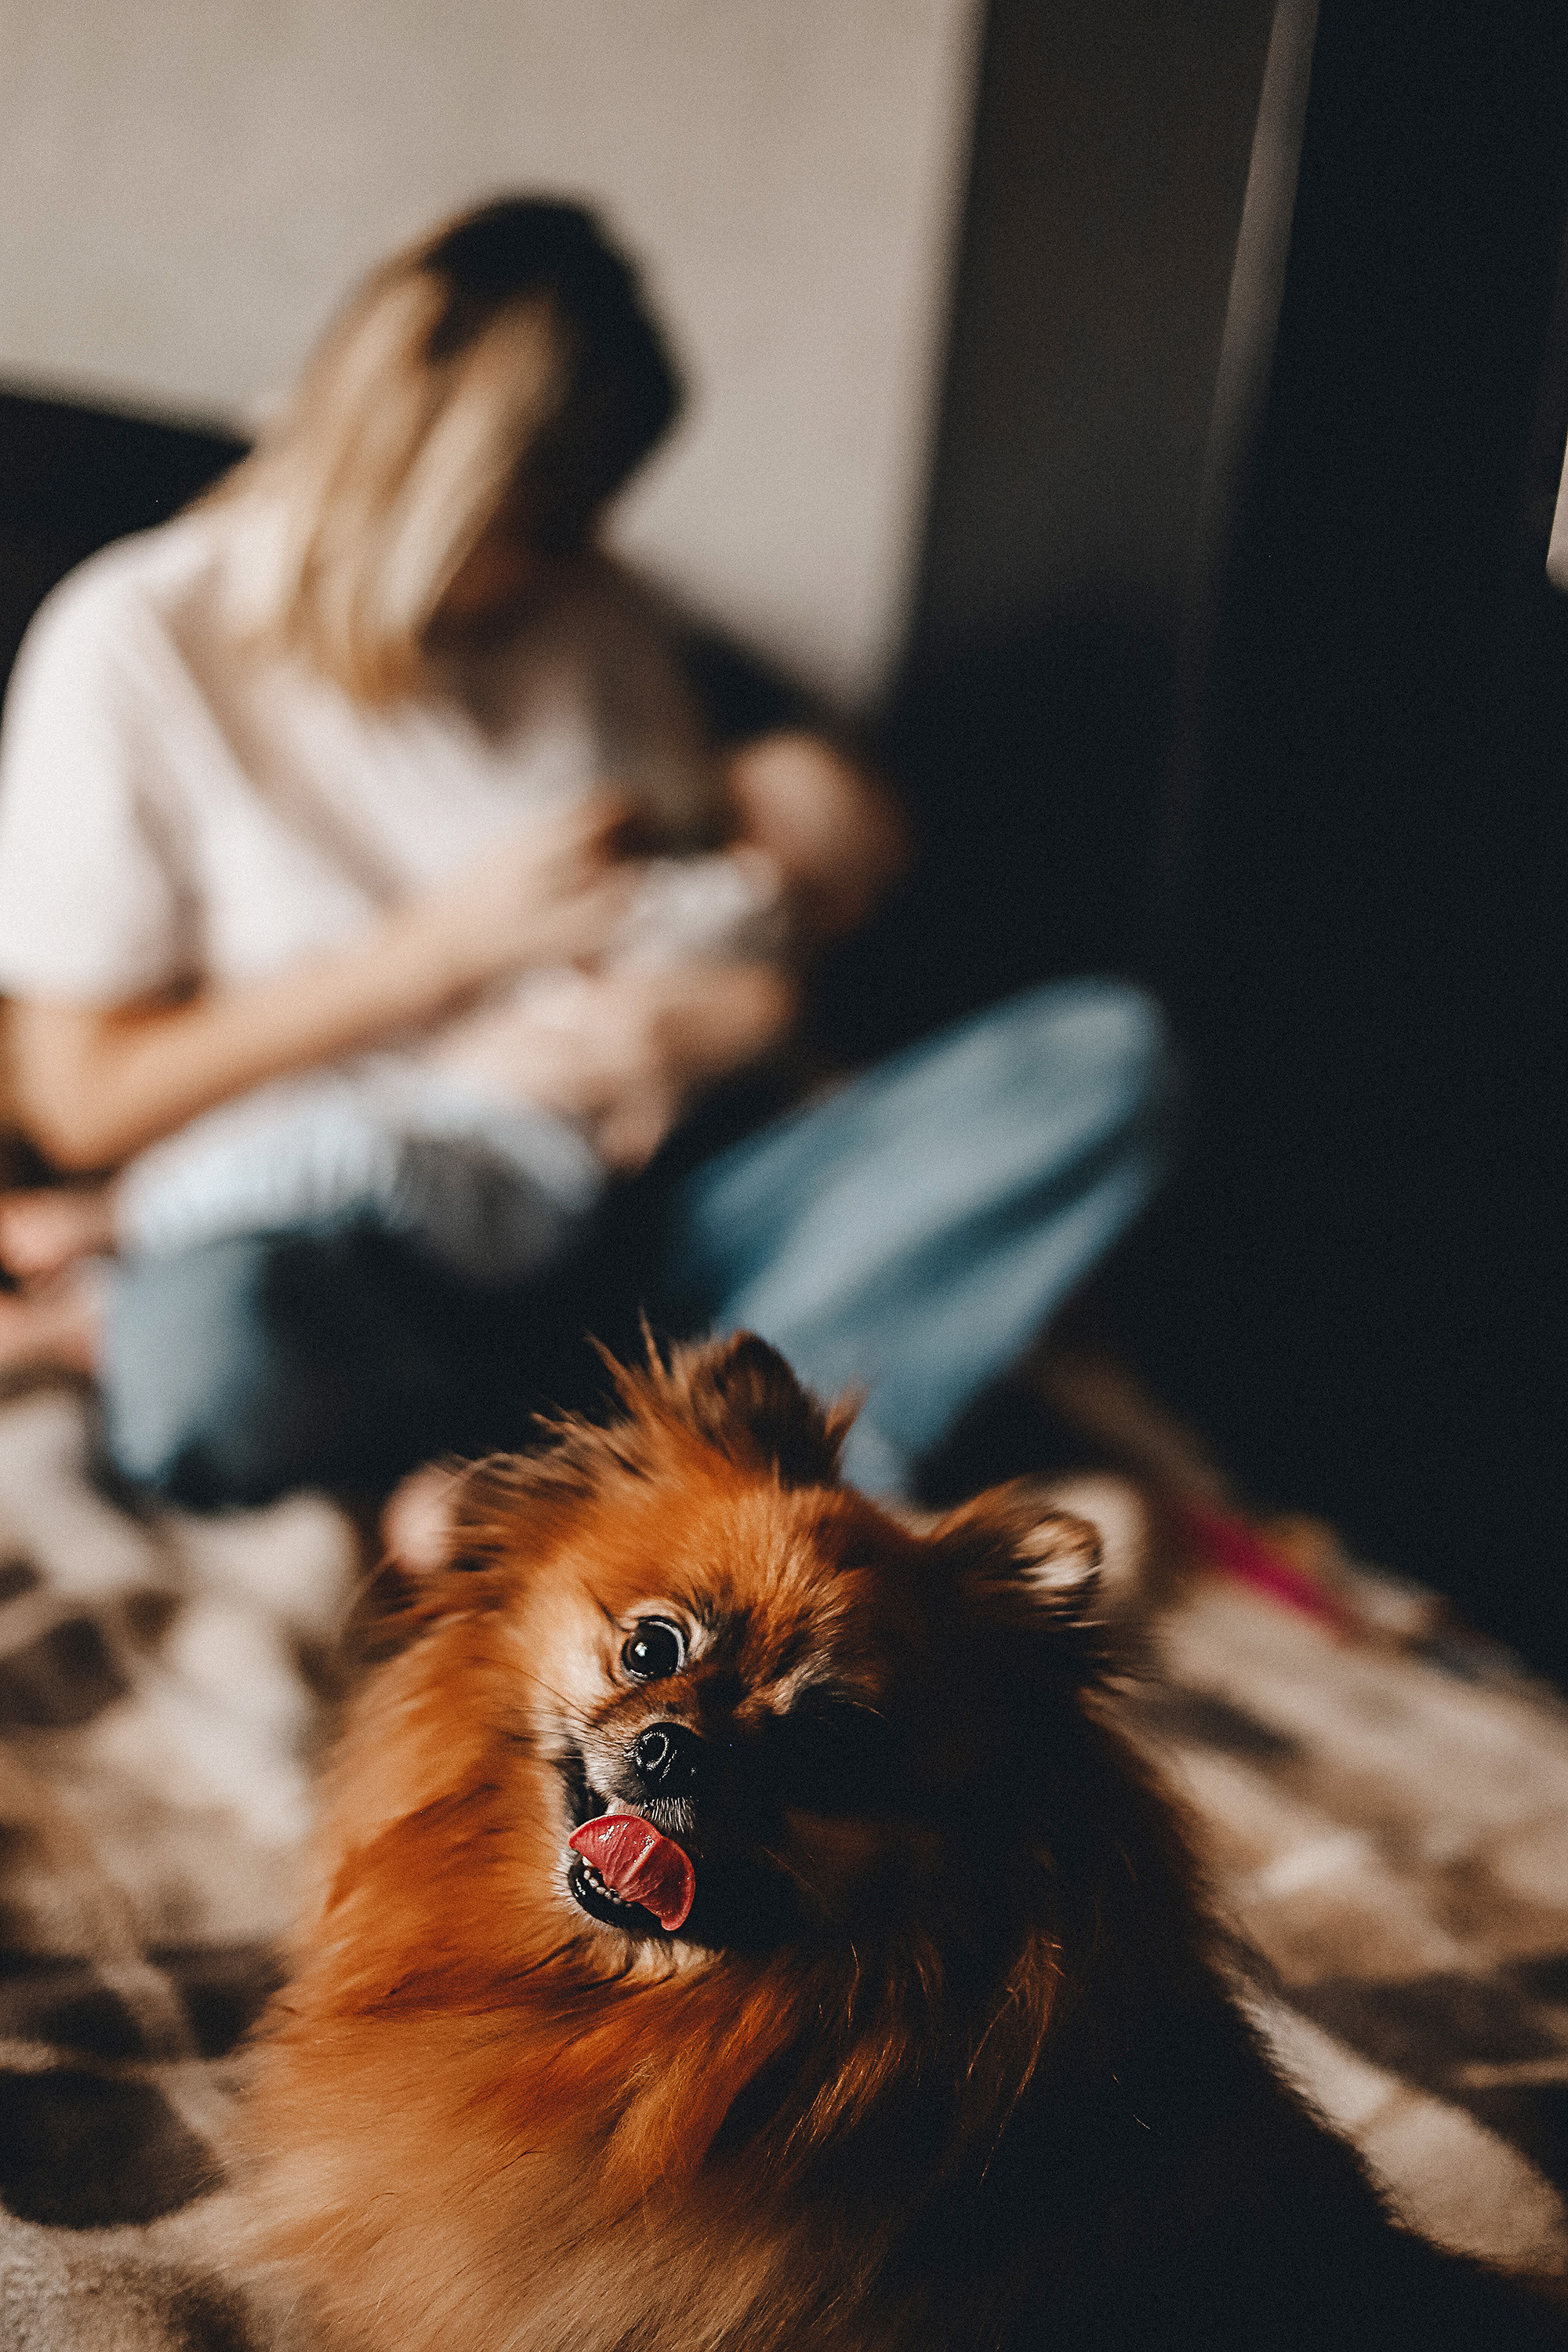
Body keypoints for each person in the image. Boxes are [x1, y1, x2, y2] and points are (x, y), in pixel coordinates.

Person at [0, 196, 1170, 1508]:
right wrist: (428, 959)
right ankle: (605, 1463)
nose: (589, 553)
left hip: (631, 1221)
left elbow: (731, 899)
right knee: (208, 1352)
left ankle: (671, 1469)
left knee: (1103, 1061)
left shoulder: (595, 618)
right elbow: (77, 1100)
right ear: (458, 493)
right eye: (555, 519)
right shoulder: (136, 644)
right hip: (357, 1240)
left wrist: (745, 1017)